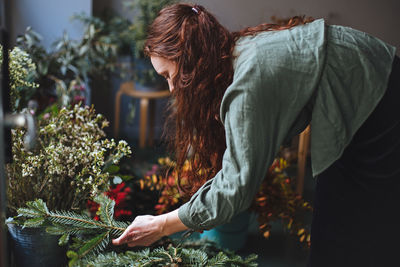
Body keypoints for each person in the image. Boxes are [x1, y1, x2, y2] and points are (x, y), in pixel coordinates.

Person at [112, 3, 399, 266]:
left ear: (188, 60)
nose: (172, 89)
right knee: (339, 226)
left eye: (168, 75)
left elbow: (234, 190)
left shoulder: (246, 85)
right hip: (369, 86)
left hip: (381, 96)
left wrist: (161, 225)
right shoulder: (232, 54)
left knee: (345, 231)